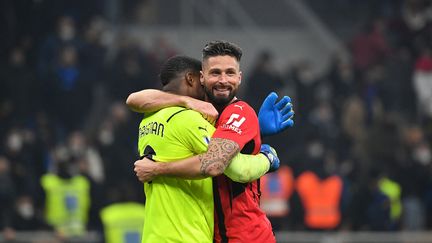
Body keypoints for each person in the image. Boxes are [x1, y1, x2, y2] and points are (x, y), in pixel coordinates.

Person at [131, 41, 294, 242]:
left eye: (230, 73)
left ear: (240, 78)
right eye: (215, 73)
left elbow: (215, 163)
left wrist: (266, 156)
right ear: (202, 77)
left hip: (247, 236)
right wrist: (185, 100)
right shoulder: (200, 112)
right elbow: (134, 99)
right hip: (214, 235)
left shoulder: (239, 112)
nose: (223, 80)